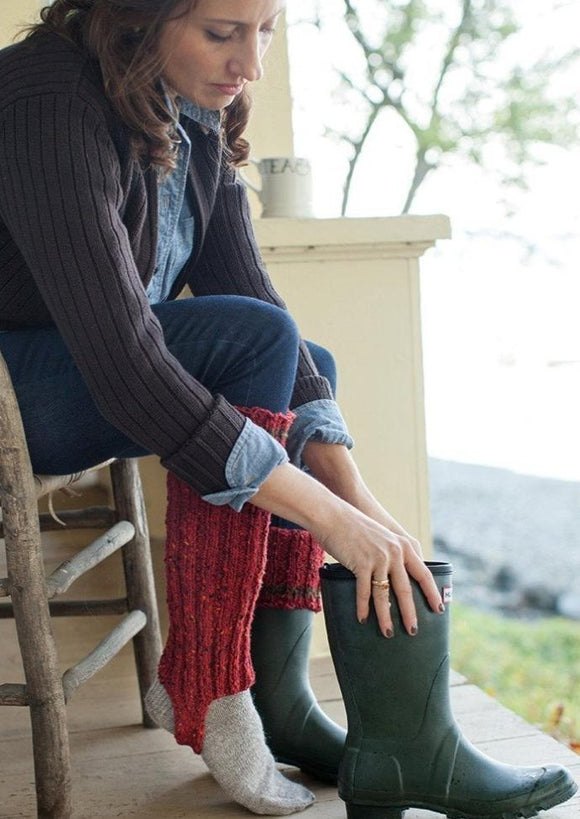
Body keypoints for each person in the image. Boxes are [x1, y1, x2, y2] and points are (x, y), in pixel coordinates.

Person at [0, 1, 575, 817]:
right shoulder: (48, 95)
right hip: (15, 390)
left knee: (302, 363)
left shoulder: (188, 101)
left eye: (265, 30)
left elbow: (252, 296)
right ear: (141, 14)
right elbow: (126, 361)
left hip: (85, 371)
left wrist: (367, 506)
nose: (250, 66)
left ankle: (286, 701)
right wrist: (332, 521)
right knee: (257, 347)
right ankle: (216, 683)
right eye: (223, 33)